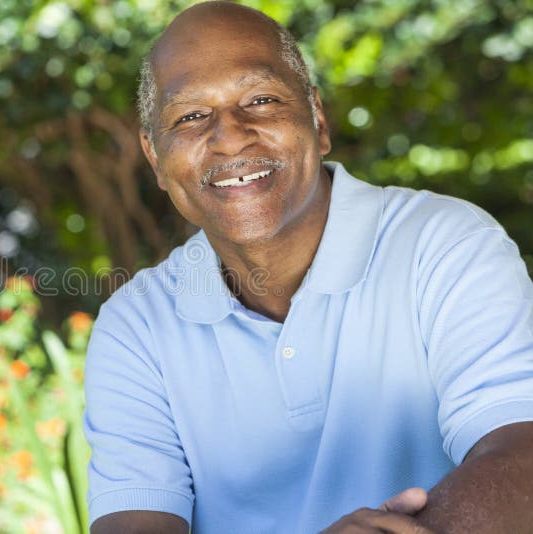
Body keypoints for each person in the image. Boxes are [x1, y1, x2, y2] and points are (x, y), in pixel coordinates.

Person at [82, 2, 533, 532]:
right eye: (190, 116)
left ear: (318, 121)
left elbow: (520, 456)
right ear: (156, 158)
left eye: (261, 99)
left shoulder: (445, 244)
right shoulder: (136, 325)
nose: (229, 136)